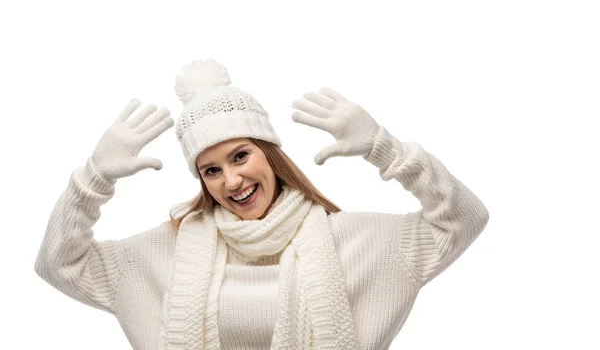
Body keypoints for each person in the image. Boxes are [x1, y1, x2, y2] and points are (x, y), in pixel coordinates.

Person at [34, 59, 489, 349]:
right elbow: (58, 264)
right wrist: (93, 178)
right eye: (210, 170)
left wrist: (384, 149)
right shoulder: (162, 253)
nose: (231, 180)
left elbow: (463, 221)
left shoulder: (356, 241)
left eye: (240, 156)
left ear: (269, 154)